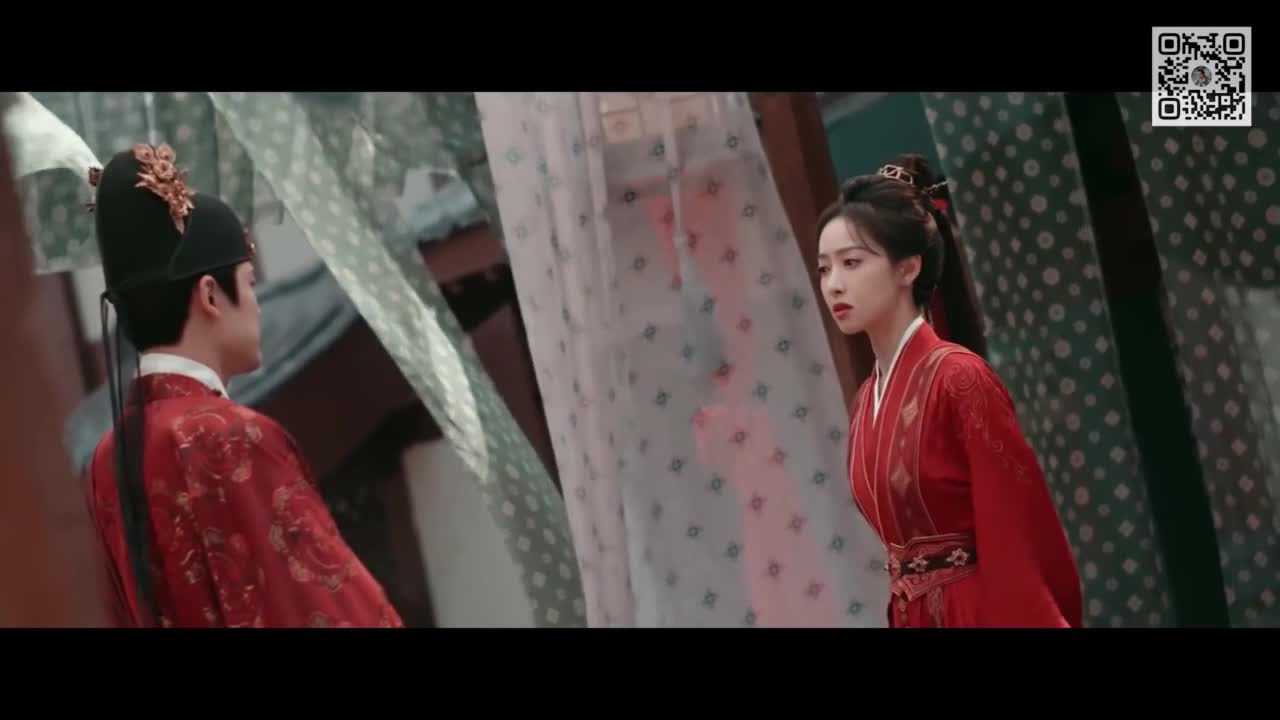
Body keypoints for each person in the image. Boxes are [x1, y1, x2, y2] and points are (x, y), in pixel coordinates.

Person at [85, 142, 403, 628]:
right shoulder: (232, 437)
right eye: (250, 283)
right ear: (211, 295)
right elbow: (329, 609)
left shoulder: (107, 459)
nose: (256, 304)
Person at [815, 154, 1082, 628]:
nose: (834, 285)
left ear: (907, 268)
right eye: (824, 269)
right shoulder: (865, 402)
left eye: (851, 263)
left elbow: (1017, 535)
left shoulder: (959, 379)